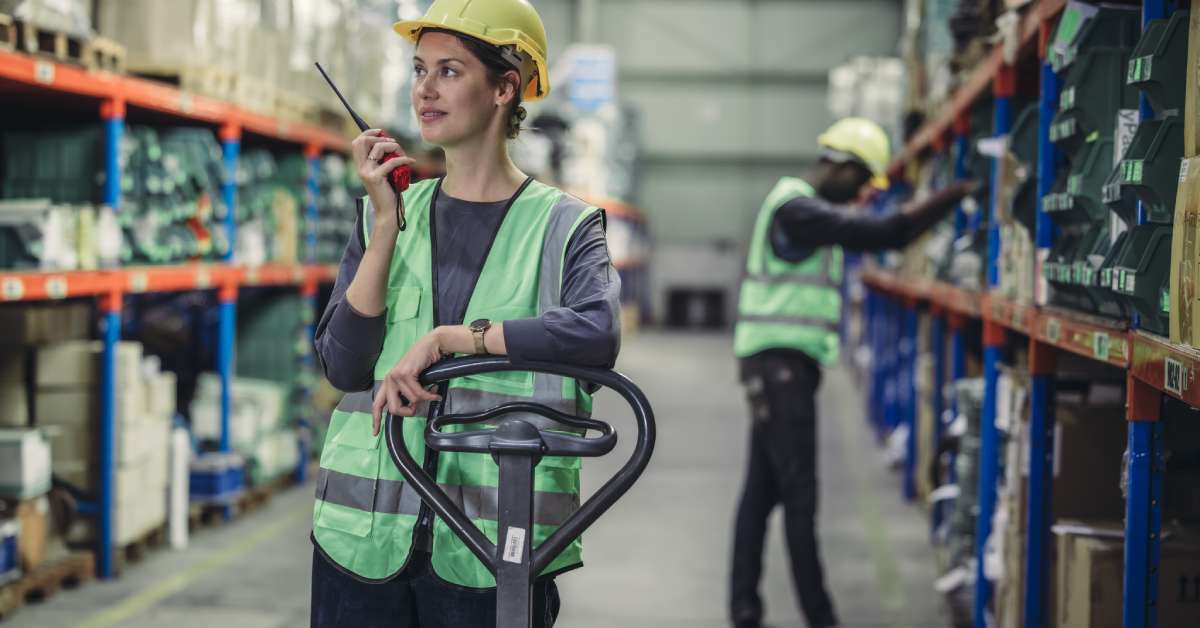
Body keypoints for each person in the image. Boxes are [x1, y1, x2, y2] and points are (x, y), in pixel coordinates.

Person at [309, 1, 621, 626]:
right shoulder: (391, 213)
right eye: (419, 69)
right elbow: (343, 366)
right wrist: (382, 227)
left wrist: (453, 340)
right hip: (362, 543)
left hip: (491, 550)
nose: (424, 89)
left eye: (449, 71)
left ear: (506, 87)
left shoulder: (564, 226)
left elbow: (595, 335)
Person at [729, 117, 978, 628]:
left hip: (776, 365)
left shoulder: (800, 208)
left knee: (762, 491)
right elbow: (891, 231)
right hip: (780, 369)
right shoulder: (798, 211)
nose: (864, 193)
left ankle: (744, 607)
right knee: (800, 496)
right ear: (840, 166)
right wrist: (959, 191)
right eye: (863, 181)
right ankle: (820, 617)